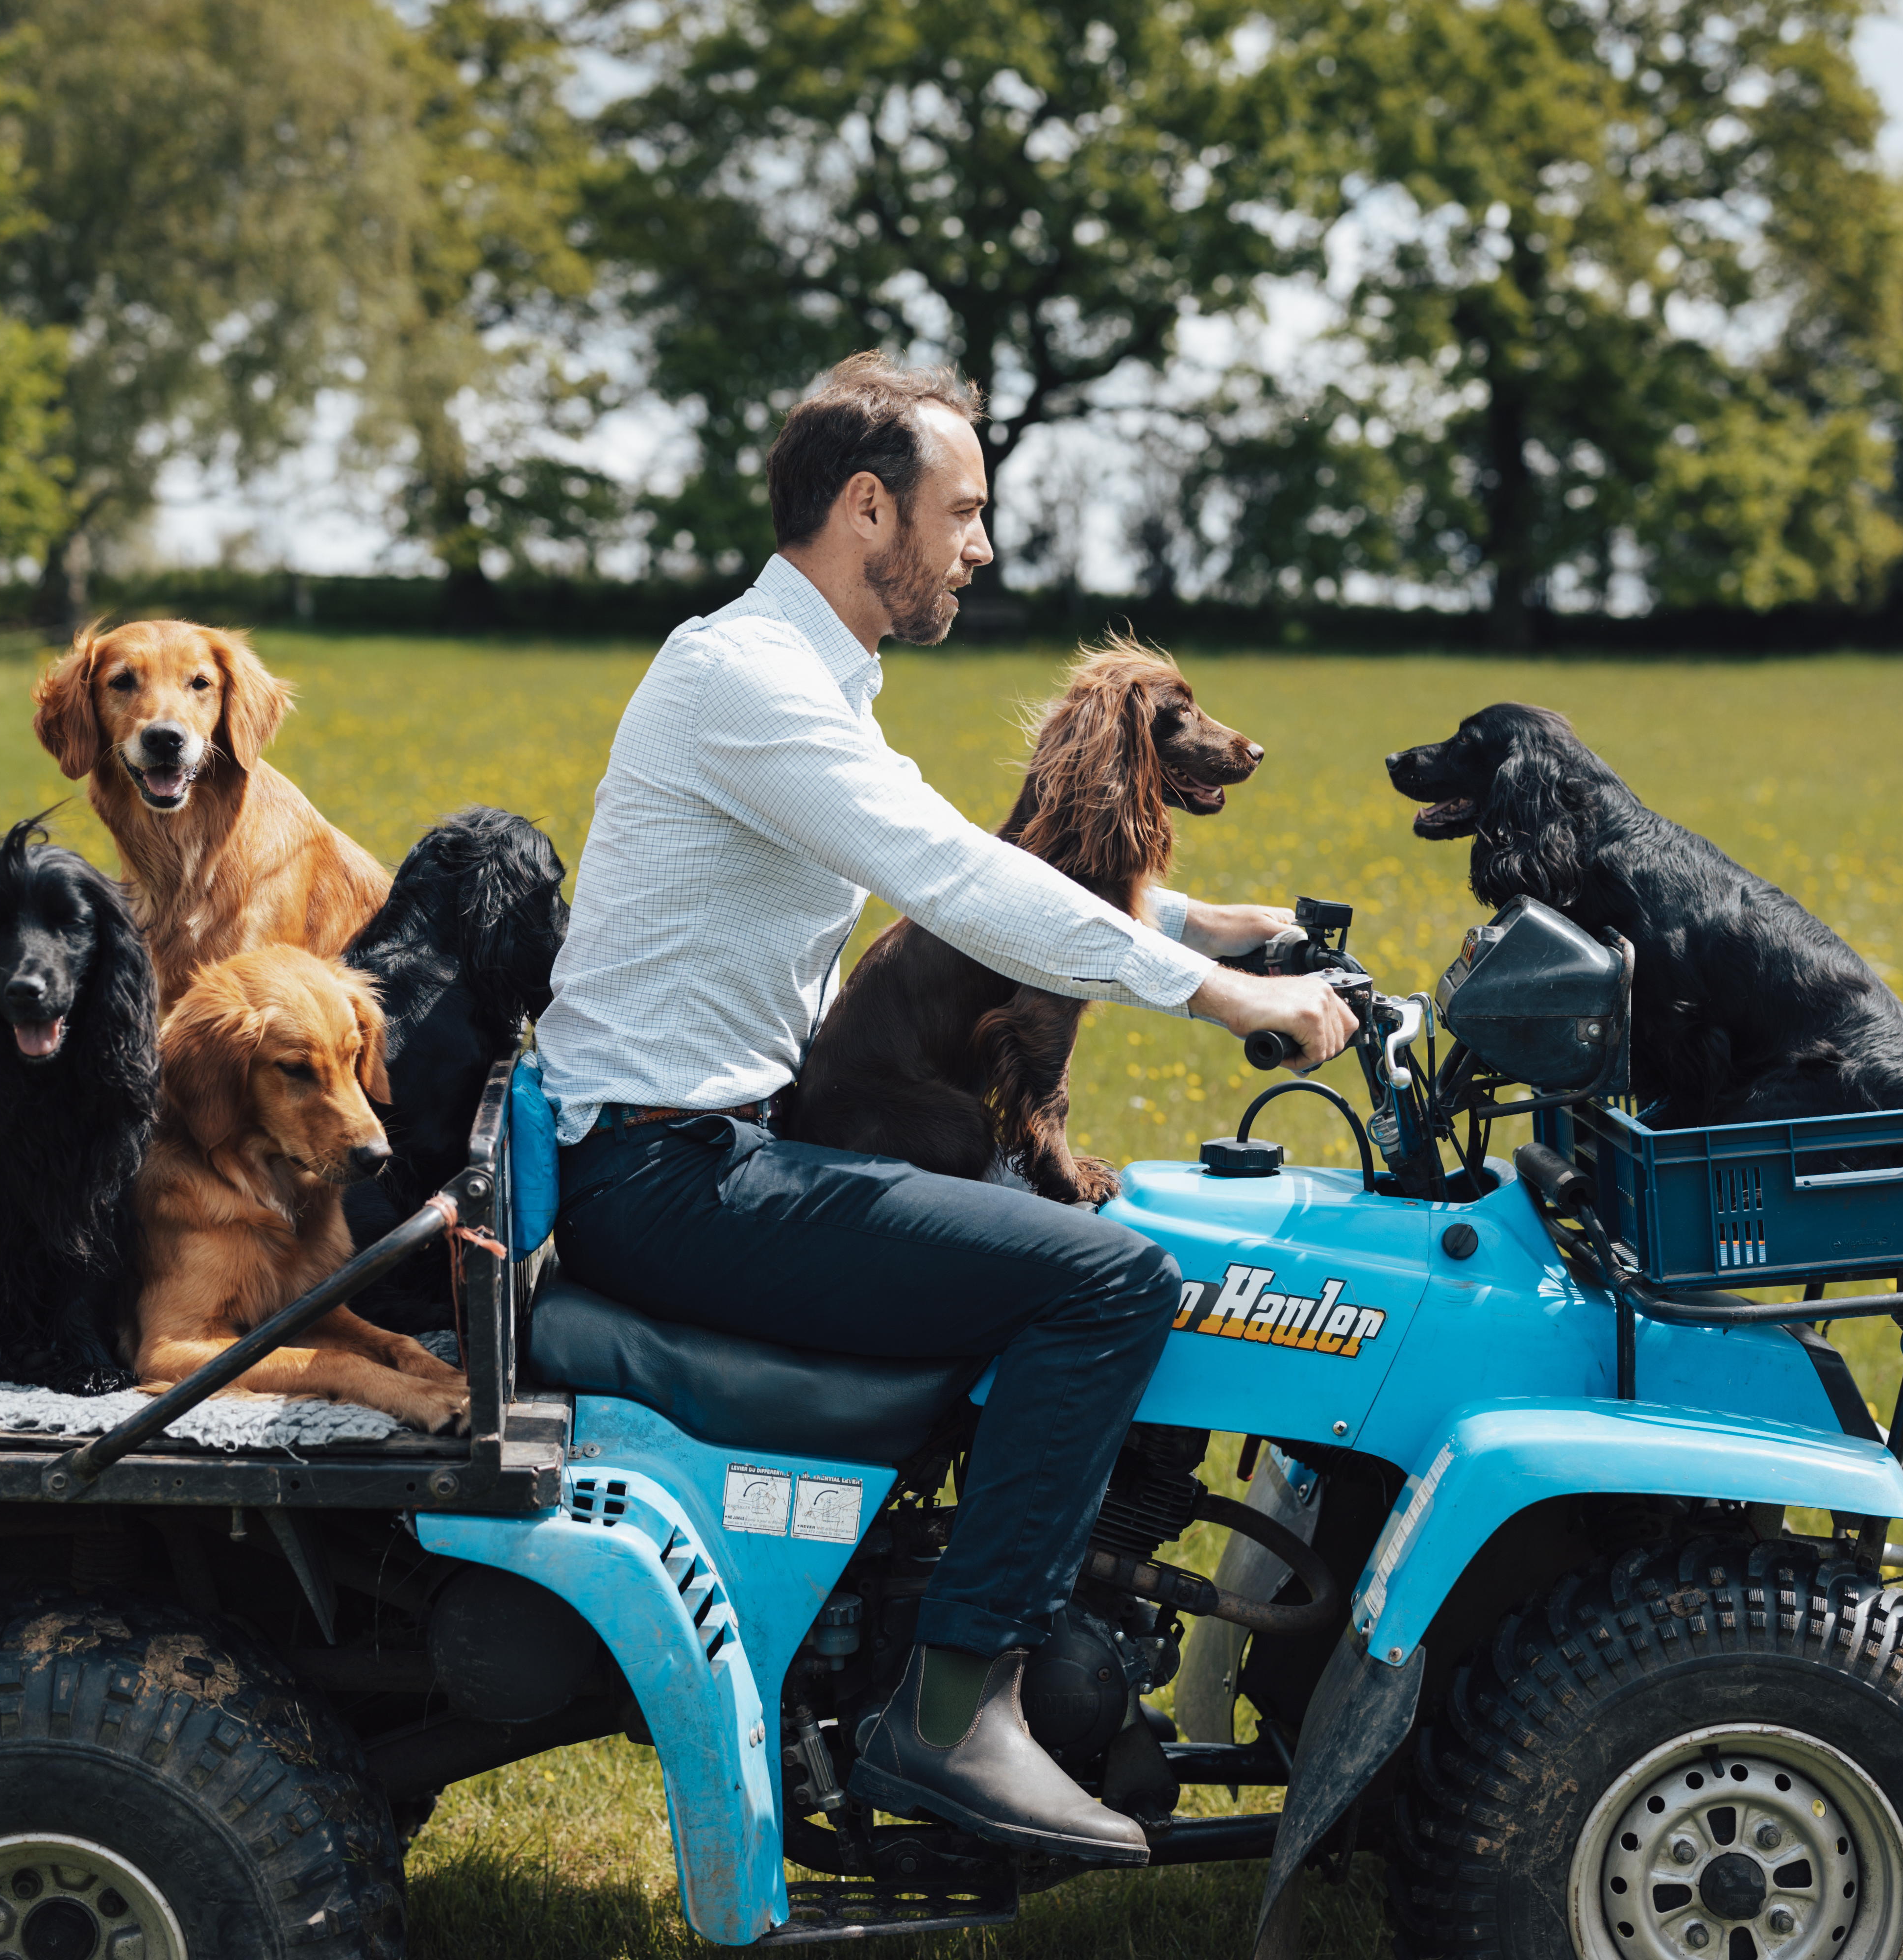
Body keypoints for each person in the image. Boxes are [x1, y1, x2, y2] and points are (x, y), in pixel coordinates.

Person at [537, 352, 1355, 1863]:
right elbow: (960, 880)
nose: (981, 546)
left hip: (705, 1152)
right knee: (1110, 1283)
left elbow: (979, 885)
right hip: (665, 1175)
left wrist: (1210, 931)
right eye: (962, 512)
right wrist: (1229, 1004)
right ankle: (958, 1709)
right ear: (869, 509)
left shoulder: (807, 681)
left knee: (1080, 1232)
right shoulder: (748, 681)